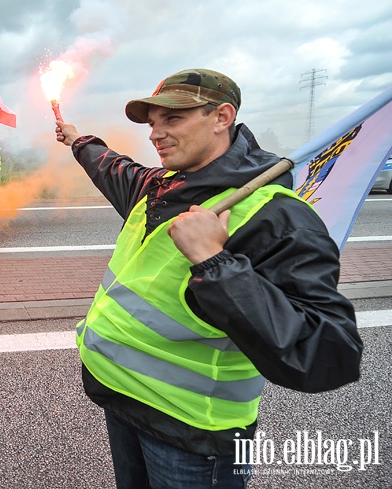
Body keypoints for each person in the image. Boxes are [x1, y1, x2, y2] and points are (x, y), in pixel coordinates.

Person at [55, 68, 363, 488]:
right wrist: (77, 140)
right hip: (120, 398)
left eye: (173, 119)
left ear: (222, 117)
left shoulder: (274, 214)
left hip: (194, 434)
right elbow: (111, 167)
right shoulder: (158, 187)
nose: (155, 134)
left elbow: (328, 354)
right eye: (152, 124)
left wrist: (214, 261)